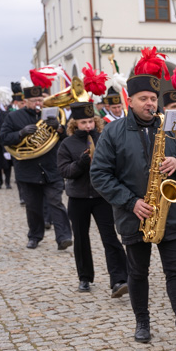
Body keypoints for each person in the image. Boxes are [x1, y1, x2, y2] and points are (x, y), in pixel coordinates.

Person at [90, 56, 176, 349]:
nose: (150, 103)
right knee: (137, 272)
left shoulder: (172, 127)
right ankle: (142, 322)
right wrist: (131, 202)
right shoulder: (113, 132)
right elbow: (99, 174)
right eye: (143, 98)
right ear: (129, 100)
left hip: (171, 212)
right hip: (135, 213)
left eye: (153, 98)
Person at [56, 102, 128, 297]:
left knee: (110, 237)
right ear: (75, 124)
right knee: (81, 239)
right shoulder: (67, 144)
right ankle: (85, 278)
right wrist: (81, 162)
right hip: (78, 198)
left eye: (90, 121)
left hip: (101, 196)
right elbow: (65, 171)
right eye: (83, 122)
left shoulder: (104, 138)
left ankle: (119, 278)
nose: (88, 126)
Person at [0, 84, 73, 250]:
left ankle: (64, 237)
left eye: (40, 99)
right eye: (34, 101)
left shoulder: (54, 114)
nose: (38, 103)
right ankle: (35, 236)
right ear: (25, 101)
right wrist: (20, 133)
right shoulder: (13, 117)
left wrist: (59, 128)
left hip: (51, 167)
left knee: (56, 203)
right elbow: (3, 138)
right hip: (27, 170)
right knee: (33, 207)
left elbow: (67, 138)